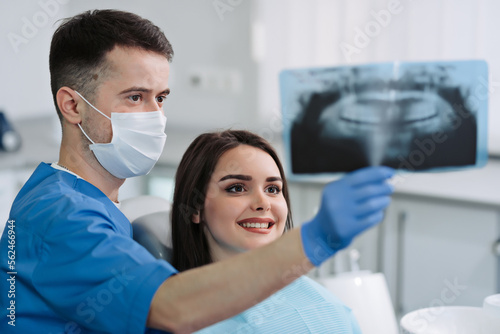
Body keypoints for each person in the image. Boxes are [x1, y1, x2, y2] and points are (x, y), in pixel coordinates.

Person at [0, 9, 394, 334]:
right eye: (135, 97)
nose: (155, 117)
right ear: (72, 106)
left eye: (161, 98)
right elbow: (171, 308)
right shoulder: (60, 215)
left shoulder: (90, 204)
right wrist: (317, 238)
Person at [170, 130, 362, 333]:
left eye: (272, 189)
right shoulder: (172, 319)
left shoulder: (334, 311)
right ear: (195, 207)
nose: (263, 203)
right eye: (237, 188)